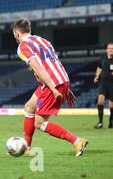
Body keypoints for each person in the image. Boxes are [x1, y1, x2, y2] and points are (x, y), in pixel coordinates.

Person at [12, 18, 88, 157]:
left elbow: (38, 67)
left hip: (50, 83)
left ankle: (77, 141)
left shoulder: (23, 47)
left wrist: (53, 88)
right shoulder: (43, 41)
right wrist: (65, 86)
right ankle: (27, 147)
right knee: (29, 107)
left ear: (17, 33)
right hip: (60, 79)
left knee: (39, 123)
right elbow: (55, 62)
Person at [94, 43, 113, 129]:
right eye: (109, 48)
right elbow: (99, 68)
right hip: (103, 83)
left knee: (111, 105)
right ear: (106, 49)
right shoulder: (102, 58)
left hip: (112, 84)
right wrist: (97, 76)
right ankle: (100, 122)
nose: (110, 50)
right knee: (100, 101)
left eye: (112, 48)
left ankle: (111, 121)